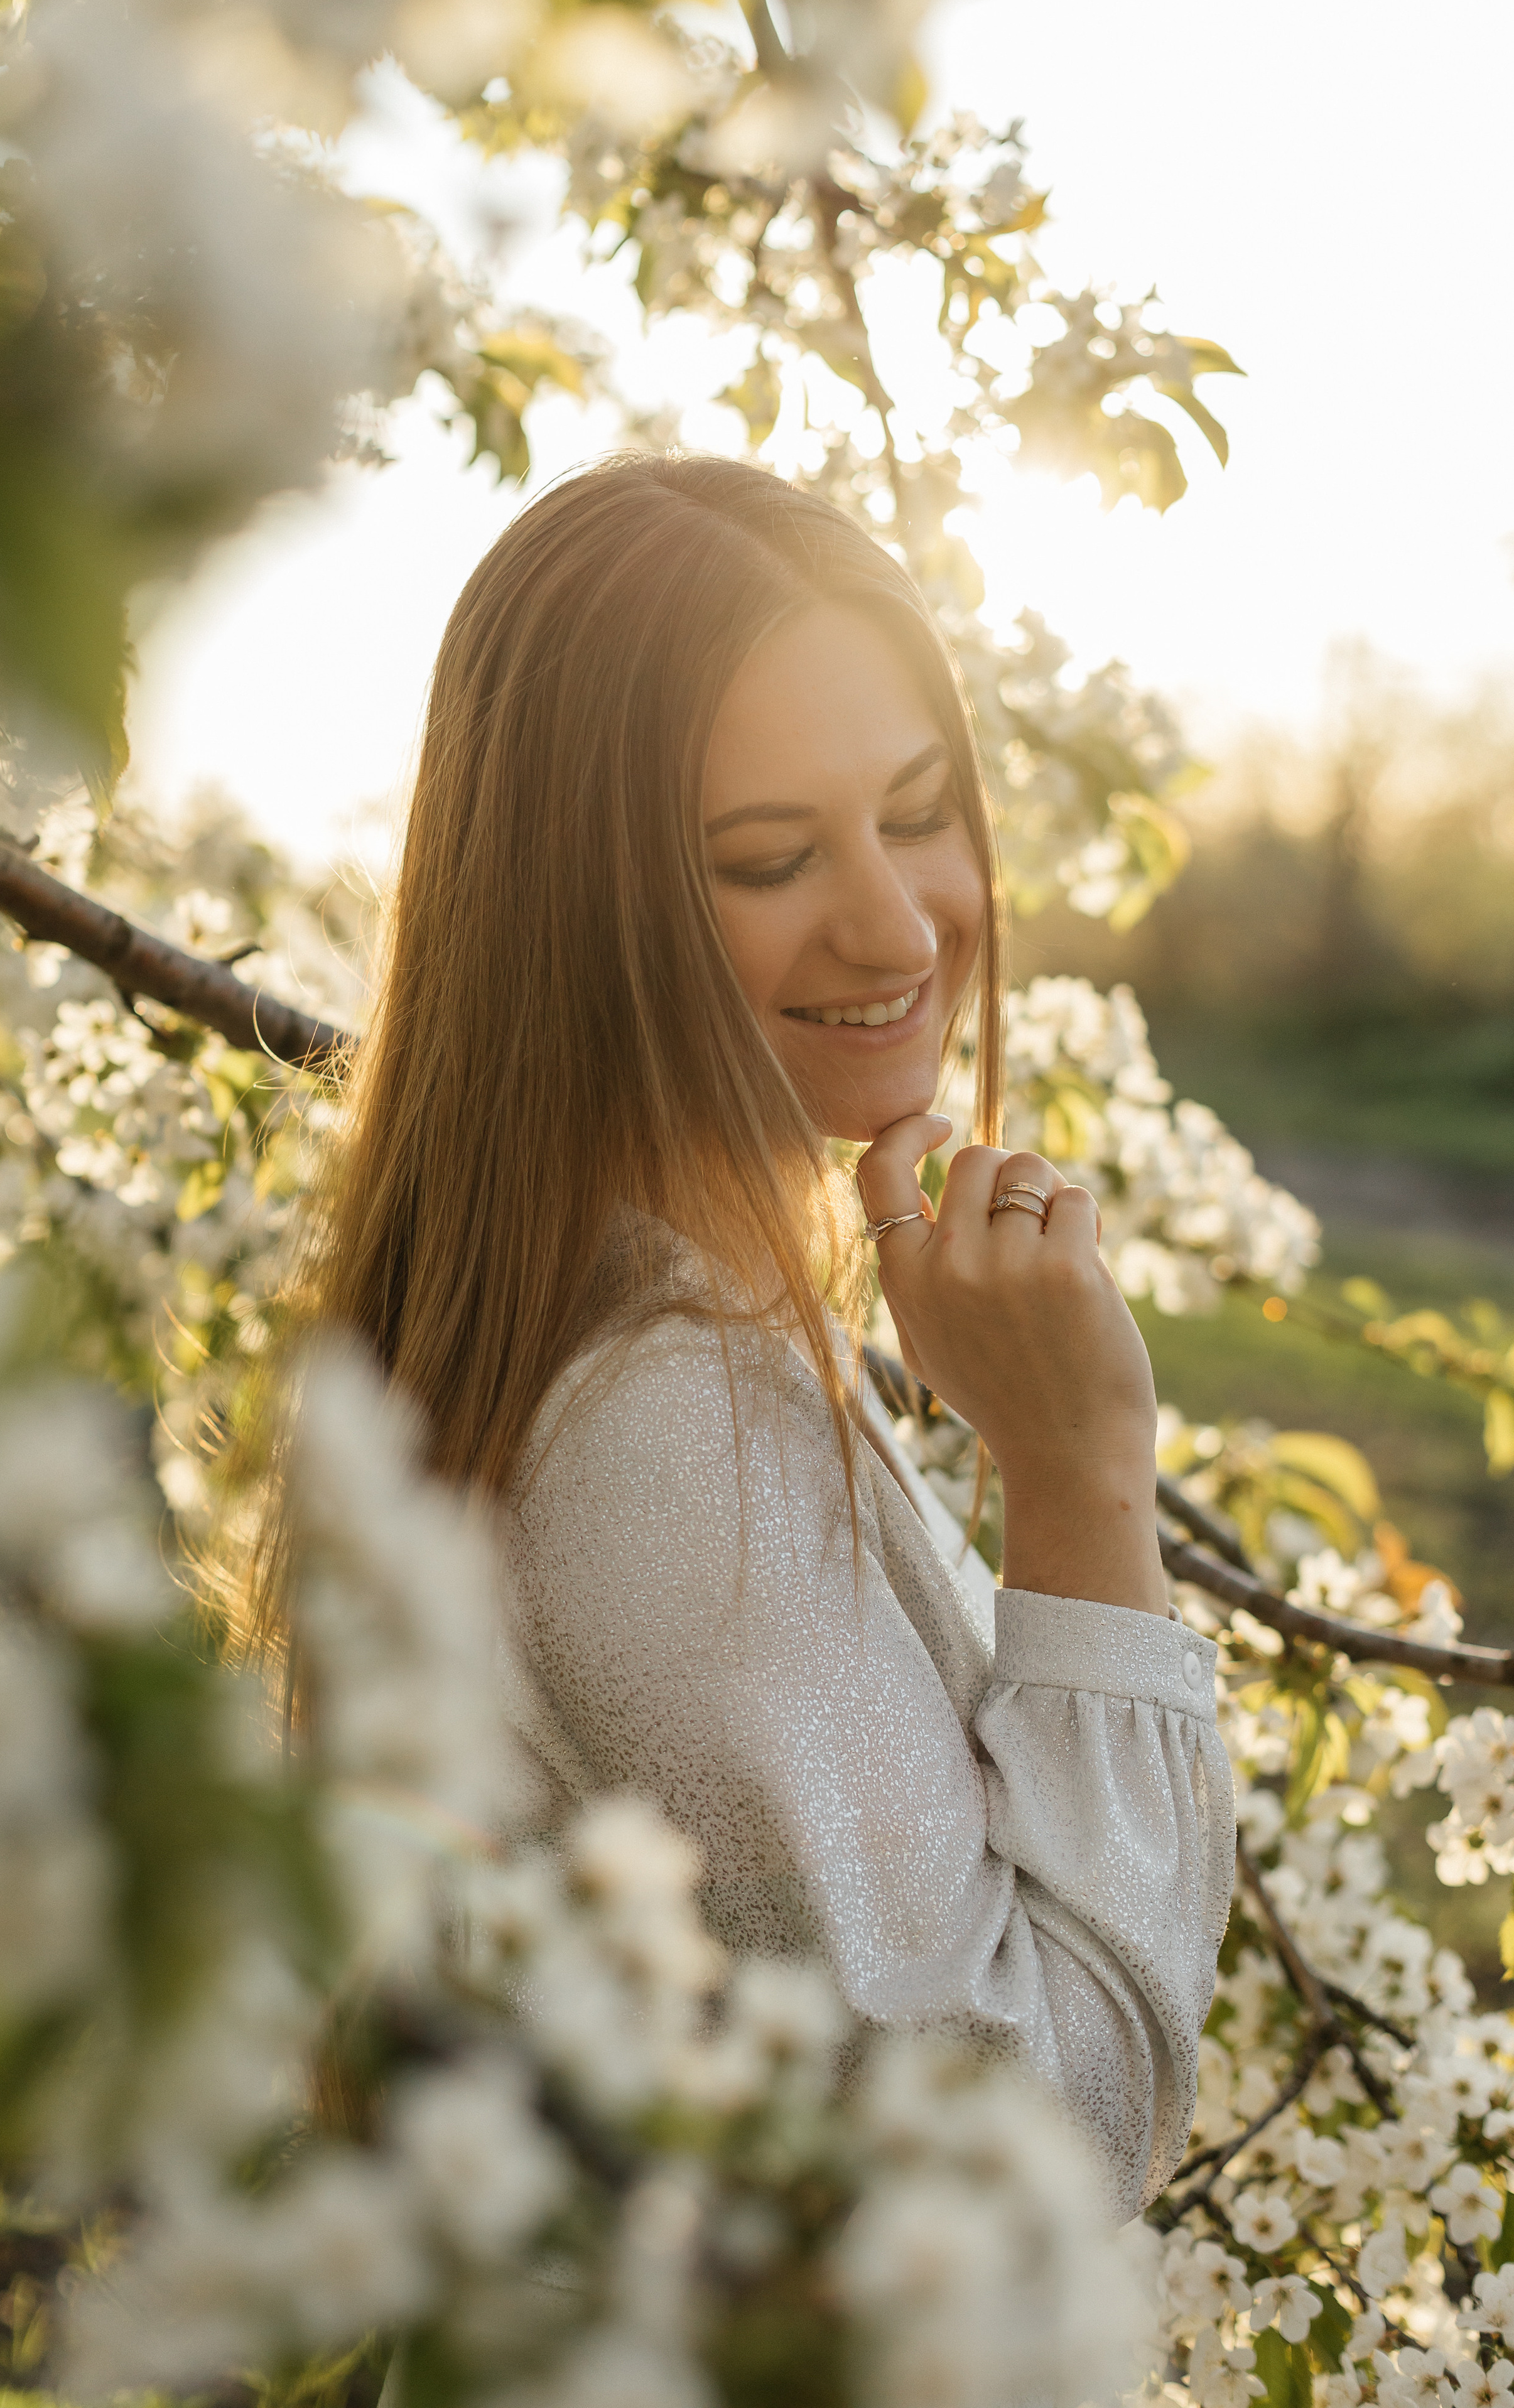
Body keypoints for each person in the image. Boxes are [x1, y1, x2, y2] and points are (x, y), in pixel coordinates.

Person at [306, 451, 1233, 2218]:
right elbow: (1037, 2155)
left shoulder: (674, 1322)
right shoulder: (666, 1439)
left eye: (918, 809)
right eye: (766, 857)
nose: (894, 925)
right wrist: (1082, 1472)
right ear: (583, 908)